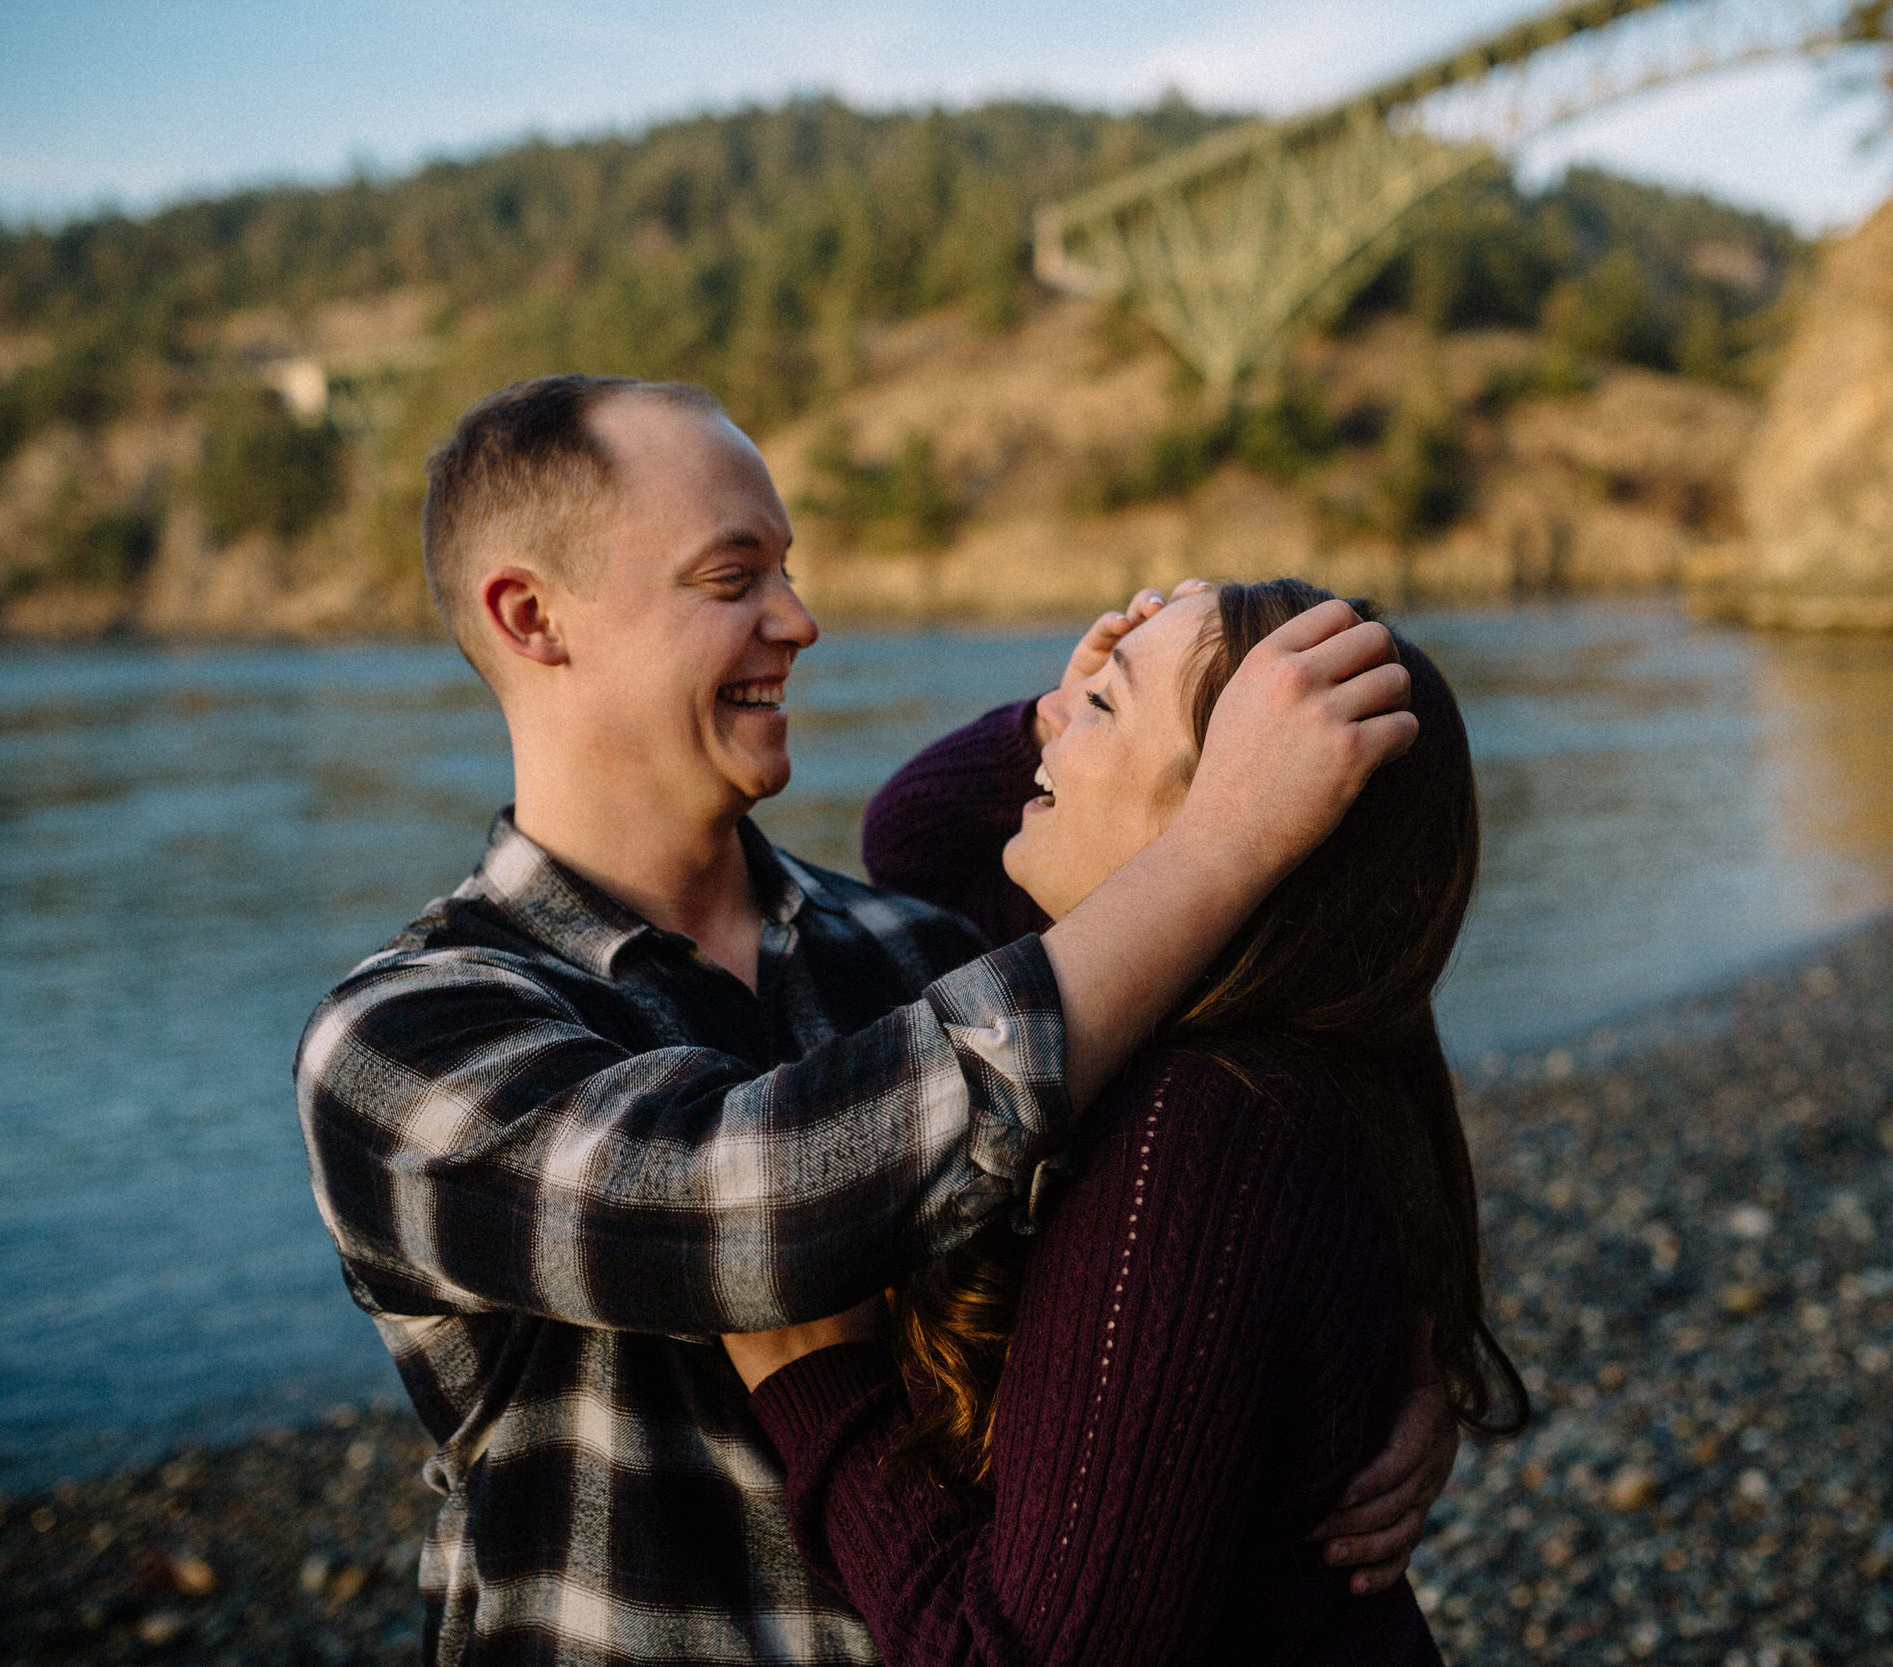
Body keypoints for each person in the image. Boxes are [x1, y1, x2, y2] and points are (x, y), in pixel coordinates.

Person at [293, 378, 1454, 1666]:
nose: (800, 619)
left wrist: (1392, 1339)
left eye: (787, 569)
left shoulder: (918, 948)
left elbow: (1306, 1012)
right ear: (533, 618)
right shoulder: (403, 1040)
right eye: (732, 577)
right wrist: (1226, 831)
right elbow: (749, 1206)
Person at [722, 579, 1530, 1665]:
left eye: (1102, 709)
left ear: (1244, 806)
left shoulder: (1194, 1138)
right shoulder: (1292, 1046)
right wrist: (1063, 714)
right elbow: (914, 843)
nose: (1052, 726)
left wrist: (813, 1375)